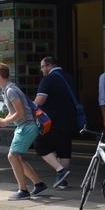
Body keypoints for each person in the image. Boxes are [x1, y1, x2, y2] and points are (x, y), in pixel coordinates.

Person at [0, 63, 49, 200]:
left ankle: (23, 191)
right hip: (25, 126)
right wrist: (4, 120)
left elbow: (20, 113)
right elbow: (14, 112)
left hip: (26, 126)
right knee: (17, 158)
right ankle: (39, 184)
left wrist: (5, 121)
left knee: (12, 157)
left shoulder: (11, 90)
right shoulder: (8, 89)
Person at [33, 56, 73, 189]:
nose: (42, 70)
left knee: (40, 144)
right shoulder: (69, 77)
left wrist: (31, 106)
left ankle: (61, 170)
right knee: (64, 149)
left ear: (49, 66)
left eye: (42, 67)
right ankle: (63, 181)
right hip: (69, 119)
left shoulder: (48, 79)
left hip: (52, 120)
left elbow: (41, 99)